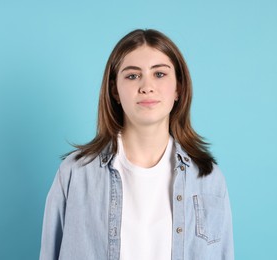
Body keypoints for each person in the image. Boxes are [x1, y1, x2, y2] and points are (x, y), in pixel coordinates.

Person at [39, 29, 234, 260]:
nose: (147, 86)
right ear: (115, 91)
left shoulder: (208, 179)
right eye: (132, 76)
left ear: (178, 89)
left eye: (159, 74)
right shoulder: (75, 174)